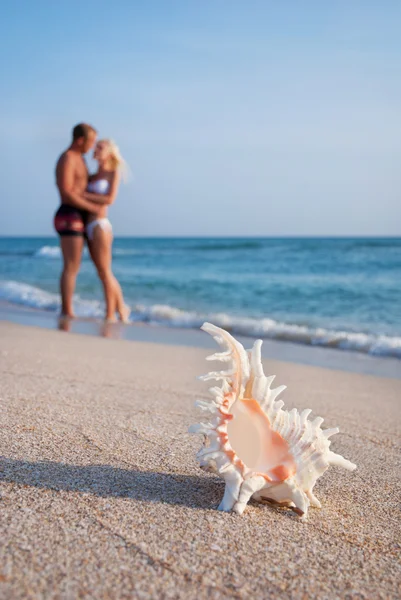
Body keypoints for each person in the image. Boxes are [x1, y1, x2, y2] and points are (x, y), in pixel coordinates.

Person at [54, 123, 100, 317]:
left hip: (79, 214)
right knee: (71, 265)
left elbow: (83, 184)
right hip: (69, 214)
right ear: (80, 140)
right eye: (91, 142)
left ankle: (68, 309)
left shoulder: (80, 159)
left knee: (76, 265)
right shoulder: (68, 158)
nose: (92, 147)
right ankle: (67, 310)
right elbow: (66, 191)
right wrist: (93, 208)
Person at [83, 139, 130, 323]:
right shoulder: (93, 175)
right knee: (101, 272)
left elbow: (109, 199)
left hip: (101, 224)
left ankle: (112, 313)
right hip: (88, 225)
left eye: (100, 147)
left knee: (105, 271)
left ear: (110, 152)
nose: (96, 149)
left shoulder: (113, 173)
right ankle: (120, 310)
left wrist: (81, 194)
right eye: (96, 146)